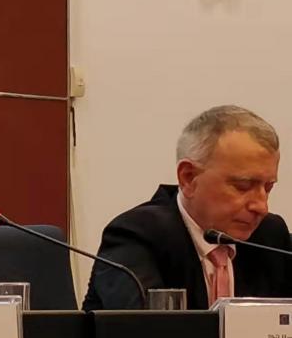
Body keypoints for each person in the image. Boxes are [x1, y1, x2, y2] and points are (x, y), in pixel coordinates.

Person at [83, 105, 292, 310]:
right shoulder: (136, 236)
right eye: (243, 186)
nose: (261, 207)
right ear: (188, 178)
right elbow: (146, 328)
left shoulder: (269, 236)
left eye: (268, 188)